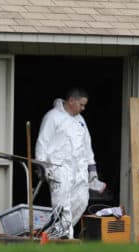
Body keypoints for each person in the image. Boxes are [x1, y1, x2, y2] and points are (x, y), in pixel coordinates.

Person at [35, 87, 106, 238]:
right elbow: (42, 142)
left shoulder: (80, 120)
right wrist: (41, 165)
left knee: (81, 201)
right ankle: (66, 239)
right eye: (81, 104)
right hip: (59, 168)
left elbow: (87, 145)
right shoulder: (53, 117)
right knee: (63, 205)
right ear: (71, 100)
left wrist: (92, 169)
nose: (83, 108)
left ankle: (52, 235)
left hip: (79, 169)